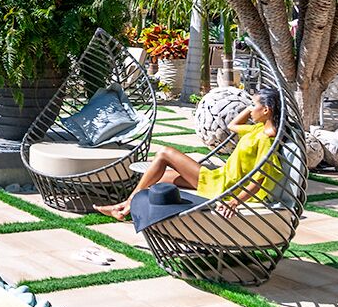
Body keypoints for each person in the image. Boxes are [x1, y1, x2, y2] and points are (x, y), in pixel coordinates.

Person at [95, 87, 283, 223]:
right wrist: (251, 108)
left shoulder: (266, 140)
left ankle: (124, 206)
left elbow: (259, 180)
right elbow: (232, 126)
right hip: (218, 177)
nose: (250, 109)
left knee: (164, 153)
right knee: (158, 179)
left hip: (223, 186)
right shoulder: (258, 128)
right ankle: (129, 208)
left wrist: (234, 202)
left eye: (253, 105)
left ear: (266, 110)